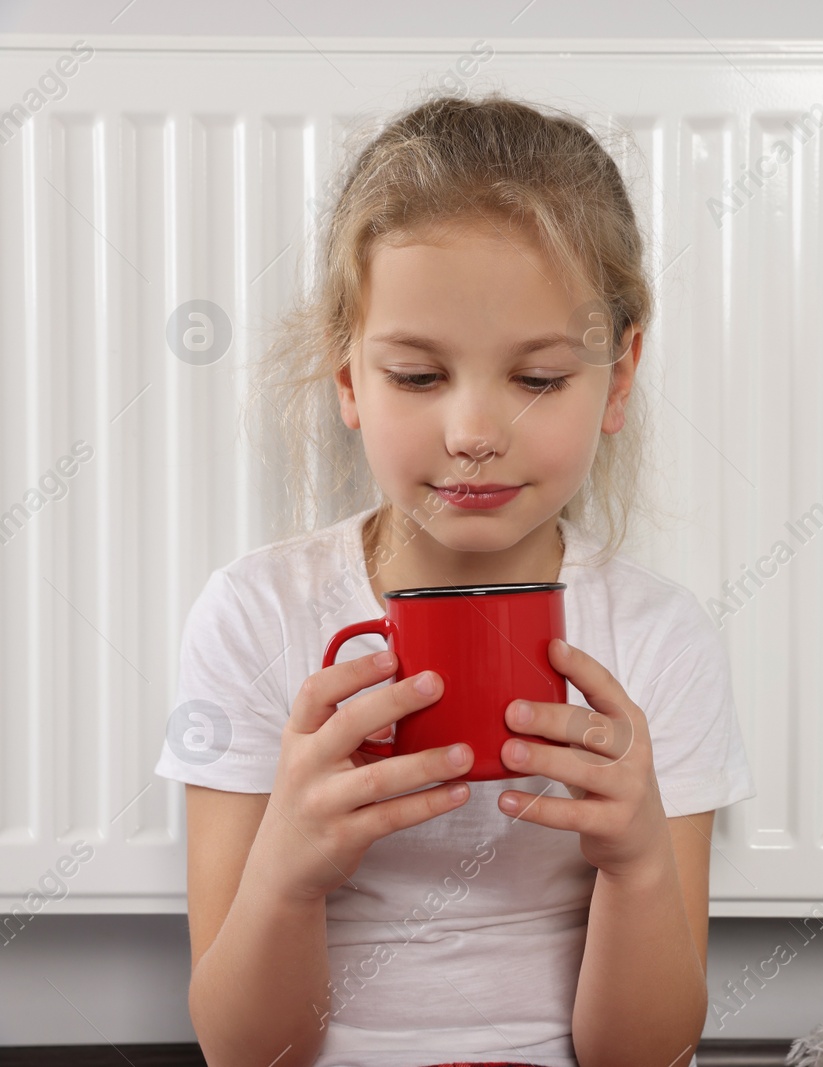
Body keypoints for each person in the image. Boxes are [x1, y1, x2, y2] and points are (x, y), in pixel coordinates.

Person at [152, 91, 756, 1067]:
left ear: (620, 371)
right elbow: (245, 1051)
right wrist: (287, 875)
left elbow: (641, 1055)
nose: (474, 432)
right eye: (420, 376)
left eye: (538, 378)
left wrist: (639, 862)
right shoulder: (256, 615)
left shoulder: (656, 636)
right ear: (348, 375)